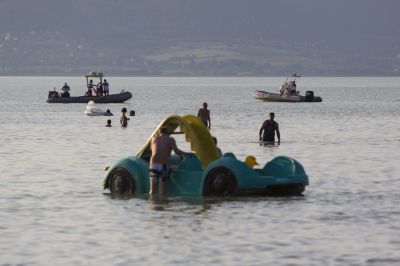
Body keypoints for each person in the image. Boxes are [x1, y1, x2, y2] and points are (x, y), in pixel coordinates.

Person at [149, 127, 190, 195]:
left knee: (152, 191)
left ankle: (152, 205)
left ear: (159, 132)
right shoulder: (170, 139)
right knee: (163, 191)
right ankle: (163, 204)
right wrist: (187, 154)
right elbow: (176, 151)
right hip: (164, 165)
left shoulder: (153, 139)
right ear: (167, 133)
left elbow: (151, 149)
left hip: (153, 165)